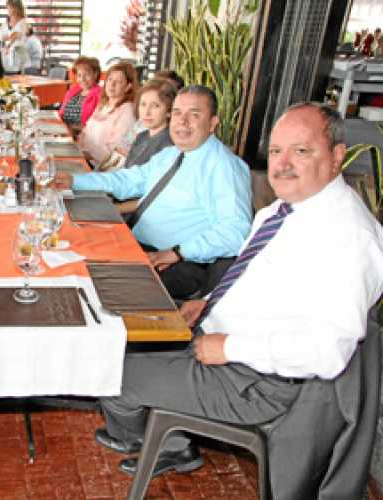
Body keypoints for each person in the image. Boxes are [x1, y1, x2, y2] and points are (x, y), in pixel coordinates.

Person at [95, 102, 383, 483]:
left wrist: (228, 348)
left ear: (337, 156)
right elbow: (253, 282)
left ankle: (155, 440)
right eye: (276, 151)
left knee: (107, 371)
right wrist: (206, 303)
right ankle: (171, 436)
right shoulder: (283, 211)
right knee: (114, 321)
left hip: (255, 380)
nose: (282, 164)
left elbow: (327, 351)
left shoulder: (349, 238)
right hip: (219, 334)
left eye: (301, 150)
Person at [53, 86, 252, 299]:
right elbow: (128, 180)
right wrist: (74, 180)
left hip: (175, 262)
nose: (182, 121)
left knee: (83, 287)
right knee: (64, 248)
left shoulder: (224, 168)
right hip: (134, 242)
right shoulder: (171, 154)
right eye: (177, 112)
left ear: (212, 123)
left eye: (194, 114)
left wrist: (177, 252)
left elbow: (235, 232)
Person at [101, 78, 176, 171]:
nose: (146, 112)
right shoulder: (142, 136)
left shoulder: (169, 146)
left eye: (155, 106)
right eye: (143, 104)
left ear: (169, 111)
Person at [77, 62, 138, 166]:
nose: (112, 84)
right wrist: (76, 149)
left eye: (118, 81)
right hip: (86, 160)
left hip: (101, 168)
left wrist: (84, 155)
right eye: (110, 79)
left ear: (128, 87)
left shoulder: (127, 111)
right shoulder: (104, 104)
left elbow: (115, 151)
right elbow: (85, 131)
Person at [59, 56, 102, 134]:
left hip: (83, 136)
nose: (82, 79)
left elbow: (98, 125)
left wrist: (69, 128)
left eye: (86, 75)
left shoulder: (101, 95)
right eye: (79, 75)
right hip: (63, 132)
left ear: (95, 74)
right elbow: (61, 114)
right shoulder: (72, 91)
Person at [0, 0, 30, 72]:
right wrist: (7, 38)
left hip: (18, 55)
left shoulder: (23, 22)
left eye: (9, 7)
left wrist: (7, 41)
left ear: (16, 8)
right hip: (6, 55)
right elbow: (0, 37)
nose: (7, 10)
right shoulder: (6, 22)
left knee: (16, 75)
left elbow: (14, 36)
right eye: (7, 7)